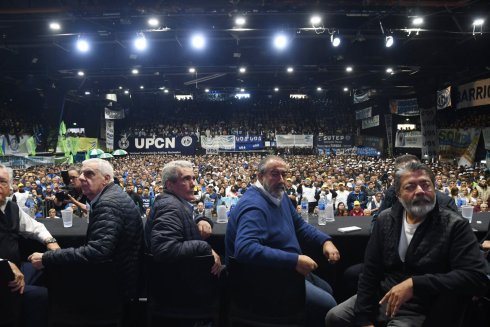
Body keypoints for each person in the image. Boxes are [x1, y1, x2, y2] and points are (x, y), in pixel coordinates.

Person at [325, 162, 489, 327]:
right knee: (335, 317)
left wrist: (415, 284)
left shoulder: (455, 225)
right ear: (398, 195)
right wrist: (363, 318)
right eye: (410, 186)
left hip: (423, 306)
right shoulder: (385, 220)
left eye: (426, 185)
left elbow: (476, 276)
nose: (420, 191)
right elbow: (370, 272)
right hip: (382, 296)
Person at [225, 155, 340, 327]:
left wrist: (325, 241)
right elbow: (245, 249)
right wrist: (294, 260)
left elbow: (300, 225)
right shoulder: (254, 206)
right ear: (260, 176)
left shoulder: (279, 196)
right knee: (328, 305)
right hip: (261, 280)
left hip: (282, 272)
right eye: (274, 174)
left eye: (284, 175)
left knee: (328, 290)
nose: (281, 180)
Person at [29, 158, 143, 301]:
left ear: (106, 179)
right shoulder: (112, 195)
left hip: (114, 286)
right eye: (82, 173)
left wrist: (48, 257)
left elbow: (97, 252)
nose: (82, 178)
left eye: (89, 174)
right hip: (121, 276)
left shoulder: (108, 204)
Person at [0, 164, 60, 327]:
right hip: (4, 273)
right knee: (41, 296)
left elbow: (35, 227)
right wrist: (5, 264)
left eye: (2, 182)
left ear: (10, 186)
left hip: (16, 266)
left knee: (49, 267)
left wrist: (51, 243)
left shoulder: (11, 207)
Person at [145, 160, 222, 276]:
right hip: (180, 285)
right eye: (186, 179)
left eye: (193, 178)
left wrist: (201, 220)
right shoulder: (169, 207)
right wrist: (205, 247)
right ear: (169, 185)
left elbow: (184, 215)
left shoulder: (173, 202)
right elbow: (164, 249)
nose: (193, 184)